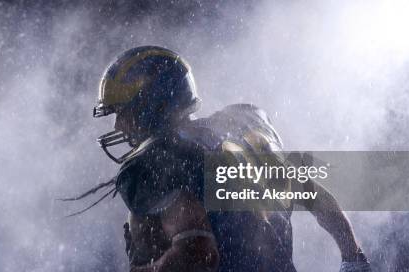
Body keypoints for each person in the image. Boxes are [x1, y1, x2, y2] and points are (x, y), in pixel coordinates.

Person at [88, 45, 370, 271]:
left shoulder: (158, 161)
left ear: (151, 105)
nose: (118, 126)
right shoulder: (245, 127)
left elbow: (198, 252)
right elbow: (314, 194)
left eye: (123, 112)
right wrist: (353, 258)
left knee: (143, 225)